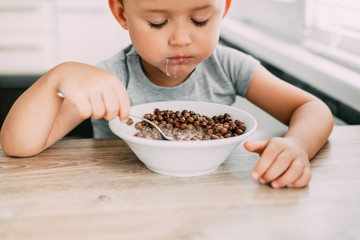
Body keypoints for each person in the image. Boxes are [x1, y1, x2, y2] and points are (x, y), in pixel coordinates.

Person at [0, 0, 333, 188]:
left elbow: (311, 107)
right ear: (121, 14)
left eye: (201, 20)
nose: (181, 40)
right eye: (158, 23)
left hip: (216, 198)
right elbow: (18, 146)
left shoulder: (230, 66)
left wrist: (298, 145)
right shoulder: (112, 77)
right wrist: (56, 78)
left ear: (225, 8)